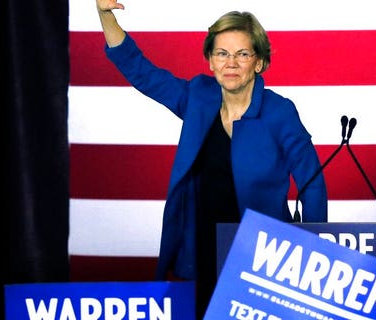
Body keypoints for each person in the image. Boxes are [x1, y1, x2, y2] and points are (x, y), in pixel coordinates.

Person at [96, 1, 328, 317]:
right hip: (204, 244)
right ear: (210, 62)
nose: (231, 62)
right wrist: (105, 14)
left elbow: (312, 183)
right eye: (222, 53)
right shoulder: (198, 97)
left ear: (258, 62)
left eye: (242, 54)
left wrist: (312, 256)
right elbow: (141, 71)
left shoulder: (280, 112)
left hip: (264, 254)